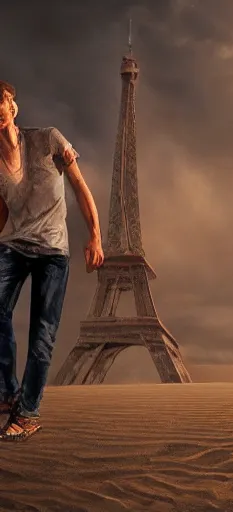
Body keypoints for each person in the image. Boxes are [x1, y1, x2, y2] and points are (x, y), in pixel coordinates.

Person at [0, 80, 104, 441]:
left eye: (3, 103)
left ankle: (26, 414)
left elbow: (80, 187)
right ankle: (7, 392)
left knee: (42, 334)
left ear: (14, 108)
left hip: (53, 251)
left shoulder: (49, 140)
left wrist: (95, 235)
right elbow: (1, 215)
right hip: (12, 246)